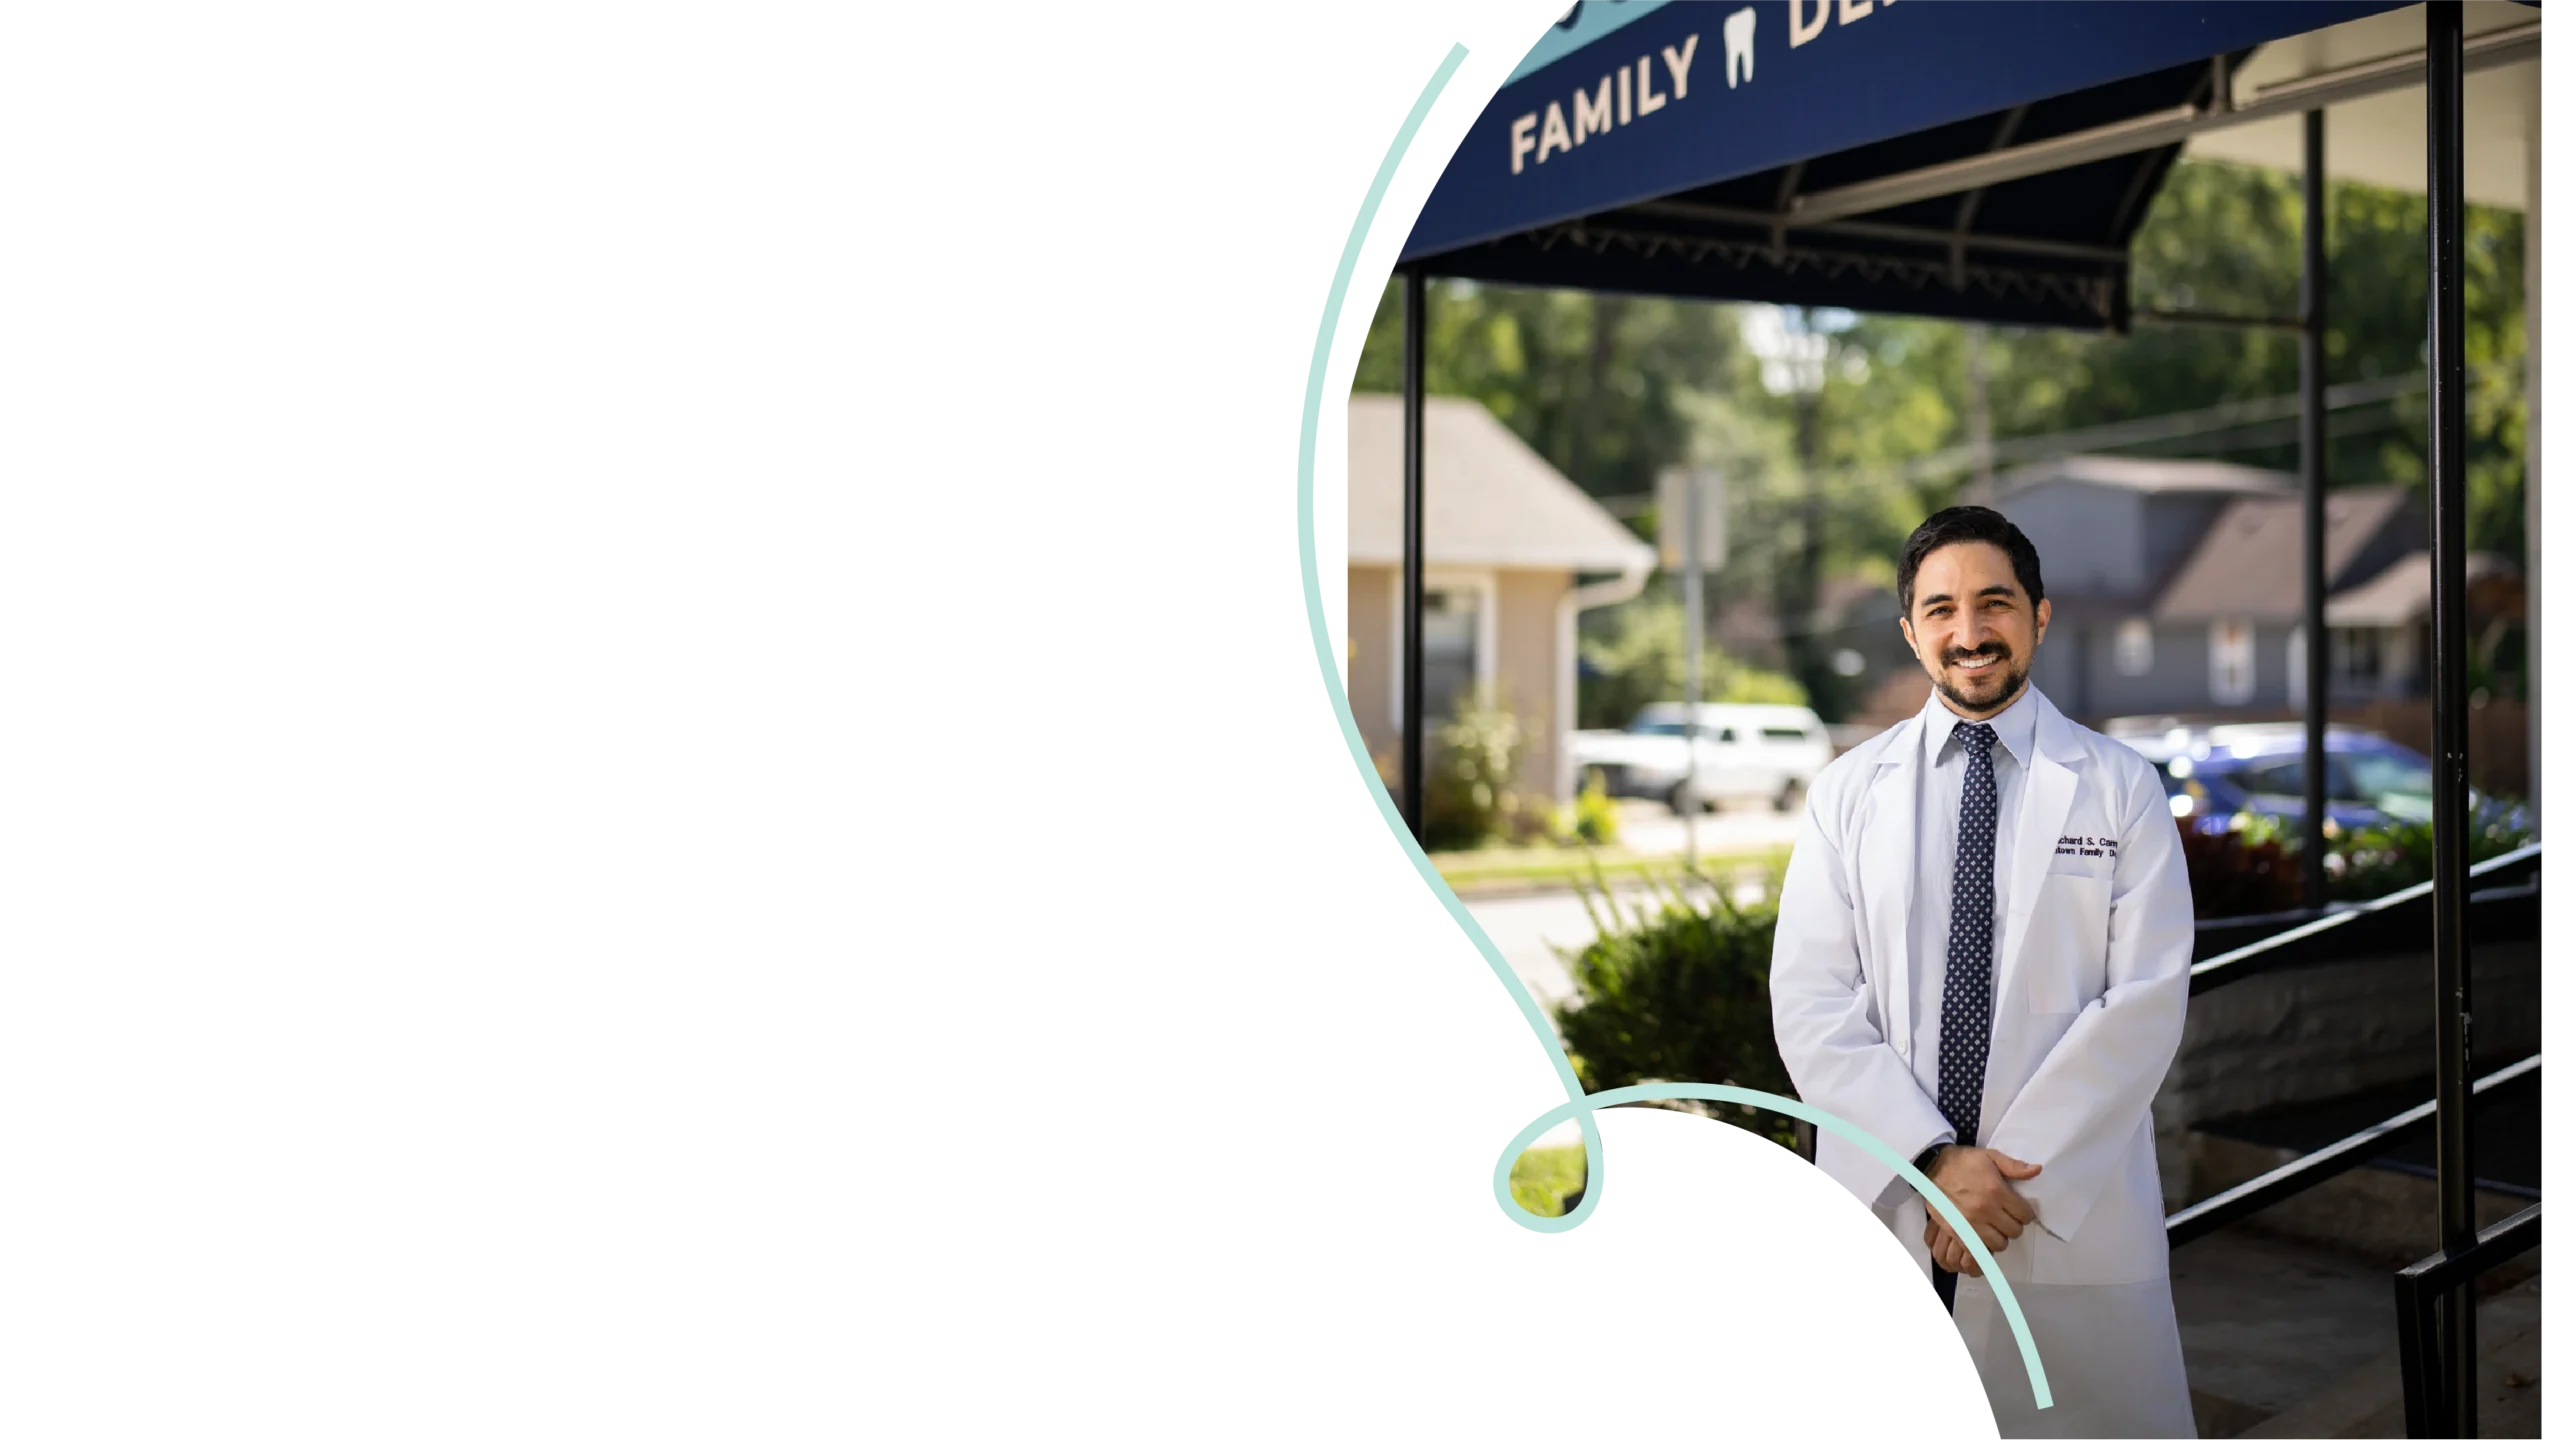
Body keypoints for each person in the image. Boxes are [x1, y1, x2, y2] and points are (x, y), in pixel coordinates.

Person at [1768, 506, 2198, 1438]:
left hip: (2051, 1207)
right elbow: (1811, 1003)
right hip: (1888, 1192)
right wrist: (1929, 1161)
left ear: (2039, 616)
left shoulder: (2120, 787)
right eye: (1941, 610)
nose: (1969, 633)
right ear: (1910, 631)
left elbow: (2146, 999)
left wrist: (1997, 1185)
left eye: (1994, 603)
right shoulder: (1846, 792)